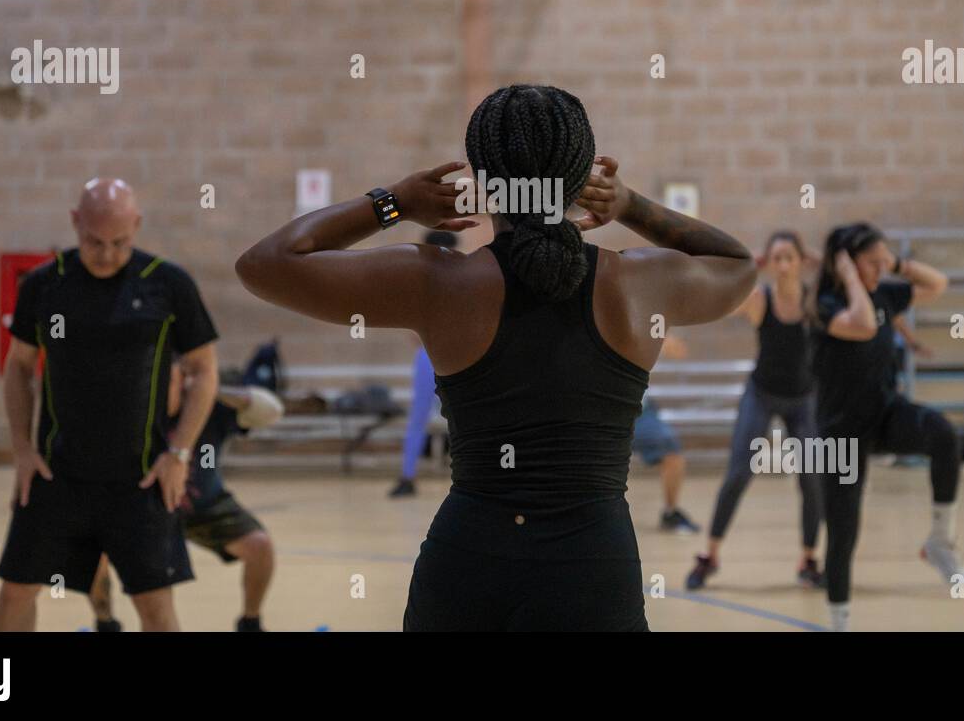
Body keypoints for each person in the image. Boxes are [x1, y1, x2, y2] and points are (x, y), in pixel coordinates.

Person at [236, 83, 756, 631]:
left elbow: (265, 263)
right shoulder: (639, 284)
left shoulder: (439, 283)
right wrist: (629, 205)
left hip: (470, 562)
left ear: (484, 184)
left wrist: (393, 203)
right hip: (593, 565)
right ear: (582, 180)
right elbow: (737, 263)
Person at [0, 178, 219, 632]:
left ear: (137, 226)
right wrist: (21, 449)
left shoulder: (168, 284)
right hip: (56, 476)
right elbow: (18, 367)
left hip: (141, 479)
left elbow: (204, 370)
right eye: (95, 241)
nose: (108, 253)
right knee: (16, 591)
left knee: (155, 606)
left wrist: (179, 454)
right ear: (75, 223)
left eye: (120, 242)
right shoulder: (44, 284)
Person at [812, 222, 964, 632]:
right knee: (844, 533)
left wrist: (896, 262)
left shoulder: (886, 292)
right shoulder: (825, 303)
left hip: (885, 414)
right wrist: (849, 276)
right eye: (871, 262)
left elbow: (938, 284)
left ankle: (940, 541)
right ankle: (839, 622)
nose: (879, 269)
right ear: (845, 262)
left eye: (883, 261)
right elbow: (864, 324)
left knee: (942, 433)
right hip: (839, 435)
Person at [89, 361, 283, 632]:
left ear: (184, 382)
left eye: (167, 381)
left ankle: (250, 622)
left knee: (260, 546)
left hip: (205, 506)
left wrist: (210, 389)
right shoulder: (134, 413)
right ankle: (105, 622)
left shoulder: (207, 408)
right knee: (93, 551)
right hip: (145, 512)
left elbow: (272, 410)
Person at [687, 230, 824, 591]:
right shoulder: (759, 299)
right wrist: (749, 266)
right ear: (769, 263)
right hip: (761, 395)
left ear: (800, 262)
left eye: (789, 258)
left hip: (804, 400)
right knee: (738, 475)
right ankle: (710, 555)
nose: (781, 265)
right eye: (775, 258)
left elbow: (838, 276)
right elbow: (718, 300)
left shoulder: (814, 302)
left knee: (812, 480)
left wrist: (815, 257)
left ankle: (808, 560)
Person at [390, 230, 458, 498]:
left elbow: (411, 327)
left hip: (432, 353)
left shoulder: (425, 279)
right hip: (448, 352)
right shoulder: (455, 277)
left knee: (420, 419)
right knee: (454, 417)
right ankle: (409, 476)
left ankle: (408, 476)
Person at [630, 334, 698, 533]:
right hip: (603, 409)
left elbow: (662, 337)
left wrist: (663, 339)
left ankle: (670, 512)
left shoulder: (638, 316)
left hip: (640, 410)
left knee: (673, 454)